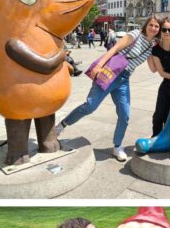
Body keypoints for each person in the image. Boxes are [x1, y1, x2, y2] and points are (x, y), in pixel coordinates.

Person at [56, 16, 161, 161]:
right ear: (146, 25)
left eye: (157, 26)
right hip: (110, 72)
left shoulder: (152, 46)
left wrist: (164, 55)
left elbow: (153, 69)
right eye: (151, 25)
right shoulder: (136, 34)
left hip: (124, 79)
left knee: (125, 114)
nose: (153, 28)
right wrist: (99, 65)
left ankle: (117, 146)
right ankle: (62, 125)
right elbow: (115, 49)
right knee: (90, 106)